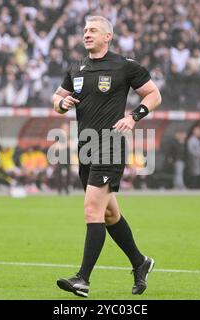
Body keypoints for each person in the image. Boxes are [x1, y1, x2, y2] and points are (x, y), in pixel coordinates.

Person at [51, 16, 162, 297]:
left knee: (92, 210)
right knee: (110, 213)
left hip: (110, 144)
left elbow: (153, 95)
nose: (87, 34)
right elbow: (57, 99)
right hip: (85, 146)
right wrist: (61, 103)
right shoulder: (77, 67)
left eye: (93, 30)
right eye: (85, 30)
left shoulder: (124, 66)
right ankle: (140, 262)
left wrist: (134, 116)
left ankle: (83, 279)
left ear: (108, 36)